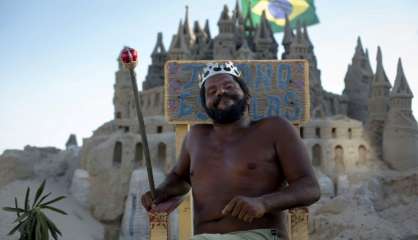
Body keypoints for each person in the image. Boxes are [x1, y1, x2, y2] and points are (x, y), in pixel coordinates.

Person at [141, 61, 320, 239]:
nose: (221, 92)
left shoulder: (275, 129)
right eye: (211, 92)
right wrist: (161, 192)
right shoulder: (195, 137)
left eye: (228, 86)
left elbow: (309, 187)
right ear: (206, 106)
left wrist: (263, 203)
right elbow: (180, 179)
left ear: (247, 95)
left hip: (260, 235)